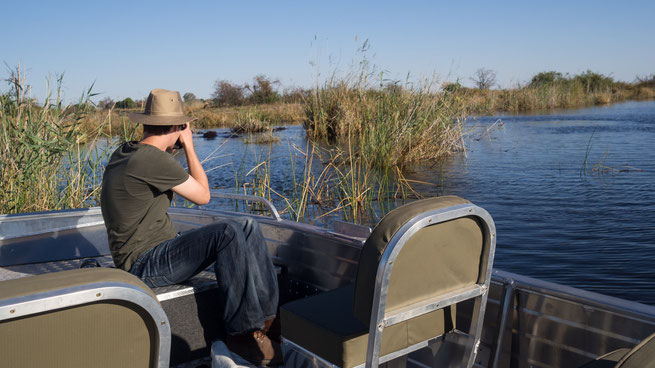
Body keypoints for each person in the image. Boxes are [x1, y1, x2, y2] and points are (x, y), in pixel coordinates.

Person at [100, 89, 281, 366]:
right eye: (182, 128)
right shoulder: (151, 159)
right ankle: (242, 335)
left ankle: (267, 323)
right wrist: (190, 146)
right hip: (143, 264)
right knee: (228, 233)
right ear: (176, 127)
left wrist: (179, 144)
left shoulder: (126, 151)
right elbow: (203, 196)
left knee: (246, 224)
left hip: (156, 251)